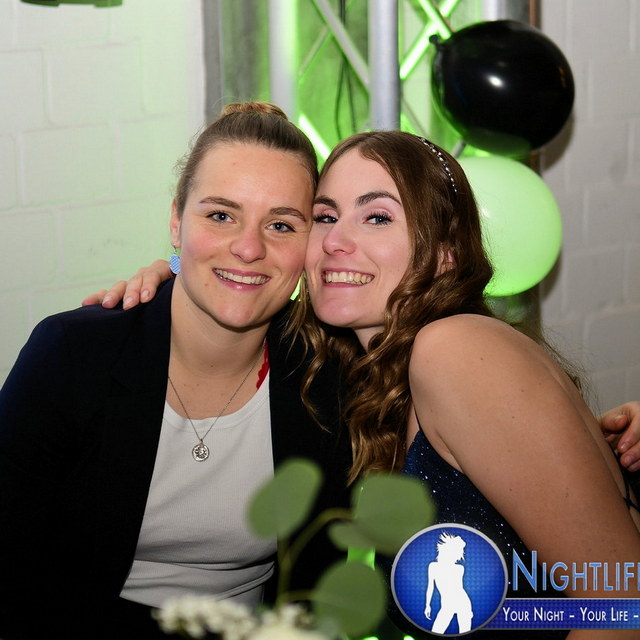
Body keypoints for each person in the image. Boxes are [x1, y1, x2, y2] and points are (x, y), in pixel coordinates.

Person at [91, 130, 640, 639]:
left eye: (377, 217)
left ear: (446, 252)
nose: (336, 240)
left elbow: (621, 602)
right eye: (325, 217)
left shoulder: (454, 350)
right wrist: (177, 272)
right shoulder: (362, 379)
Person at [0, 102, 352, 640]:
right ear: (175, 221)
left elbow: (317, 591)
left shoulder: (329, 379)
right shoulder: (73, 354)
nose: (249, 247)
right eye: (220, 215)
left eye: (281, 225)